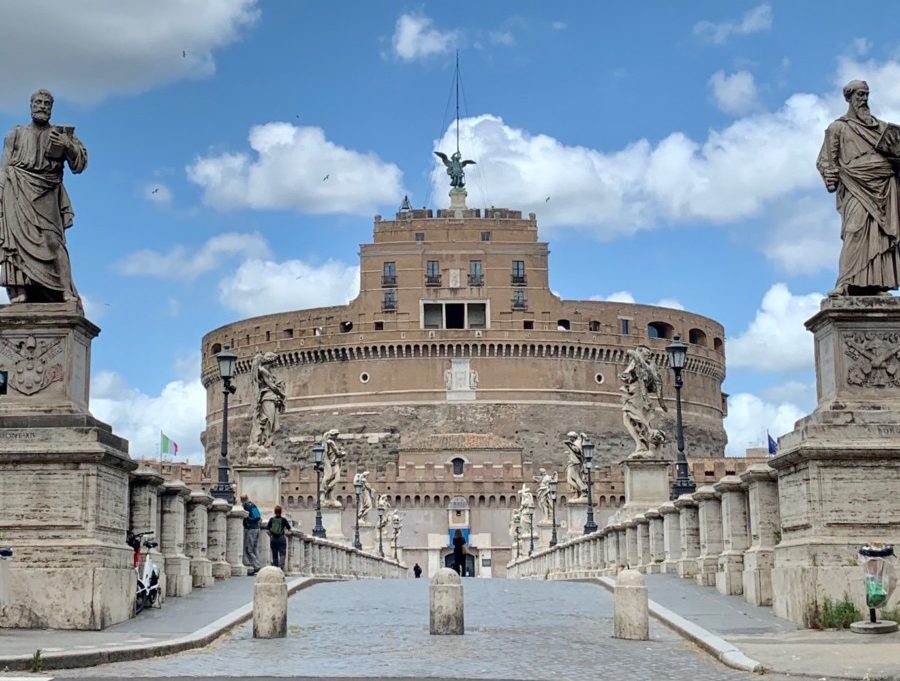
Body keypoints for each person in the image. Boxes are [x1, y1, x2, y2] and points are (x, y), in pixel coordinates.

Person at [0, 89, 87, 304]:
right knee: (16, 241)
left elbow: (79, 164)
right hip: (17, 189)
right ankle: (20, 289)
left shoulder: (62, 134)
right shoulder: (15, 134)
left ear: (51, 108)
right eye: (38, 102)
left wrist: (67, 145)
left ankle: (65, 290)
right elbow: (4, 166)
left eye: (47, 103)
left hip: (47, 191)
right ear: (31, 106)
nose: (42, 106)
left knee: (54, 241)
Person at [817, 80, 900, 296]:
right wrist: (829, 174)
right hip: (855, 184)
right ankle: (846, 282)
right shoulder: (838, 128)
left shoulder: (882, 128)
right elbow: (825, 159)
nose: (863, 99)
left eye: (866, 94)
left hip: (884, 184)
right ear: (849, 97)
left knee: (880, 235)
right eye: (859, 95)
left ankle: (879, 284)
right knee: (854, 230)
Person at [241, 494, 261, 575]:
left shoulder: (245, 506)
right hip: (257, 528)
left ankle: (256, 566)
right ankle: (257, 565)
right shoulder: (253, 504)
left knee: (249, 549)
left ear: (242, 499)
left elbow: (244, 517)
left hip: (251, 529)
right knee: (255, 548)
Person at [266, 505, 291, 570]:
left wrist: (271, 534)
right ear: (281, 512)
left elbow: (267, 530)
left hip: (273, 539)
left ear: (275, 512)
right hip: (281, 538)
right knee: (282, 553)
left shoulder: (271, 519)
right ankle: (281, 567)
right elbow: (289, 528)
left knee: (274, 554)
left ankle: (275, 568)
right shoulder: (283, 520)